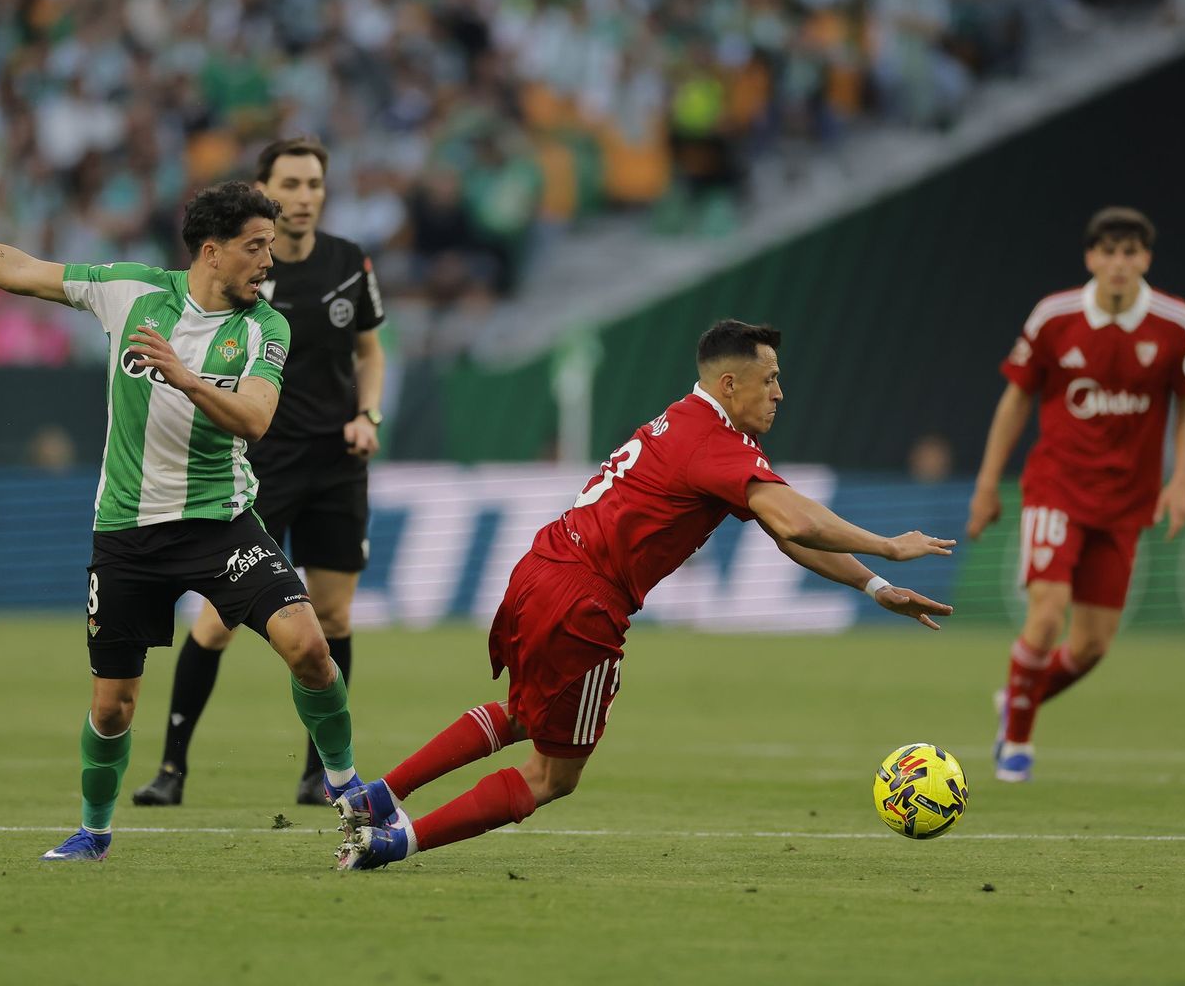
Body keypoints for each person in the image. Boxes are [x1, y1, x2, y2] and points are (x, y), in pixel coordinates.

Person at [331, 319, 957, 870]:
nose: (779, 392)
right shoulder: (712, 443)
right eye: (769, 378)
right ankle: (392, 843)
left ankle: (377, 796)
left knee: (524, 712)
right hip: (585, 601)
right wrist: (888, 547)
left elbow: (783, 532)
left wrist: (872, 585)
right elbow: (794, 520)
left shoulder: (683, 422)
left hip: (541, 568)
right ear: (730, 384)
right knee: (553, 776)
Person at [0, 181, 361, 861]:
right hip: (128, 533)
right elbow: (14, 266)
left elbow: (254, 419)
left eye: (271, 247)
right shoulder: (129, 290)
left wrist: (184, 376)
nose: (268, 261)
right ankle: (94, 833)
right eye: (256, 247)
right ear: (212, 252)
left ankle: (351, 791)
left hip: (220, 523)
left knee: (310, 646)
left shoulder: (264, 327)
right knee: (113, 708)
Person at [131, 136, 386, 808]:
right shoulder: (247, 270)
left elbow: (370, 352)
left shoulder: (349, 263)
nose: (305, 197)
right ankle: (171, 769)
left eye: (314, 185)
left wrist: (370, 415)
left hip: (336, 463)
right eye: (291, 185)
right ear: (266, 191)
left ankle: (317, 774)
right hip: (259, 463)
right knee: (214, 621)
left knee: (331, 618)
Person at [966, 206, 1185, 783]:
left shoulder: (1175, 323)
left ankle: (1016, 700)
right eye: (1109, 251)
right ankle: (1017, 746)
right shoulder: (1055, 317)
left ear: (1146, 259)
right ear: (1090, 258)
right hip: (1058, 486)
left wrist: (1181, 482)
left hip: (1127, 500)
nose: (1120, 263)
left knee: (1092, 646)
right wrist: (986, 482)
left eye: (1131, 252)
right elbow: (1017, 398)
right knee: (1046, 615)